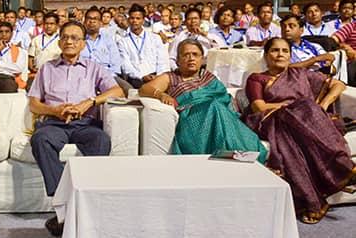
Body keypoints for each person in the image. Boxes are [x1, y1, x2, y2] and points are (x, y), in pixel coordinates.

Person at [243, 37, 354, 223]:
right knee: (302, 108)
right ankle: (343, 168)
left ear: (290, 55)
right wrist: (292, 106)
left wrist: (323, 104)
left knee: (301, 120)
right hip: (272, 120)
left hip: (306, 119)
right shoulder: (257, 78)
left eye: (285, 51)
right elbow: (259, 107)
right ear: (266, 55)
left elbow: (339, 84)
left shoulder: (299, 74)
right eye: (275, 50)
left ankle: (317, 198)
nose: (280, 54)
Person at [29, 20, 123, 236]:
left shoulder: (93, 68)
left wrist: (89, 102)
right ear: (59, 42)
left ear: (83, 44)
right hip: (55, 122)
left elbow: (117, 91)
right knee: (40, 140)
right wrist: (54, 110)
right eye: (65, 37)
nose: (69, 41)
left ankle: (88, 202)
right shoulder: (47, 69)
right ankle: (65, 205)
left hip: (84, 123)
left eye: (74, 38)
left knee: (101, 140)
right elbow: (33, 103)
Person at [139, 40, 266, 161]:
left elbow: (225, 99)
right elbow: (144, 89)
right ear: (177, 60)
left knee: (218, 108)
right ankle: (237, 154)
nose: (191, 58)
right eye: (186, 55)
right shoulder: (171, 77)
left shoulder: (208, 77)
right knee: (214, 106)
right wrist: (161, 95)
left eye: (195, 54)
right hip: (192, 120)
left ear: (202, 59)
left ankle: (239, 154)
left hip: (221, 115)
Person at [117, 4, 169, 89]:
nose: (135, 21)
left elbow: (162, 60)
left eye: (138, 18)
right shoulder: (122, 41)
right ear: (128, 20)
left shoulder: (155, 38)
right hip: (136, 79)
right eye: (132, 18)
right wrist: (141, 77)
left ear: (143, 20)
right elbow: (125, 65)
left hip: (156, 77)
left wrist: (158, 76)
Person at [0, 21, 27, 93]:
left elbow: (18, 68)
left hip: (7, 77)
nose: (4, 34)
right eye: (1, 32)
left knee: (9, 86)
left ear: (12, 34)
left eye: (7, 32)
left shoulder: (19, 50)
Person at [81, 6, 122, 77]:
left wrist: (107, 77)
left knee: (126, 85)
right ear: (84, 22)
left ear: (100, 23)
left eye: (95, 19)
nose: (92, 21)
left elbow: (116, 64)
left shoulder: (108, 40)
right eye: (89, 18)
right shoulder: (78, 40)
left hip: (107, 76)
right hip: (84, 76)